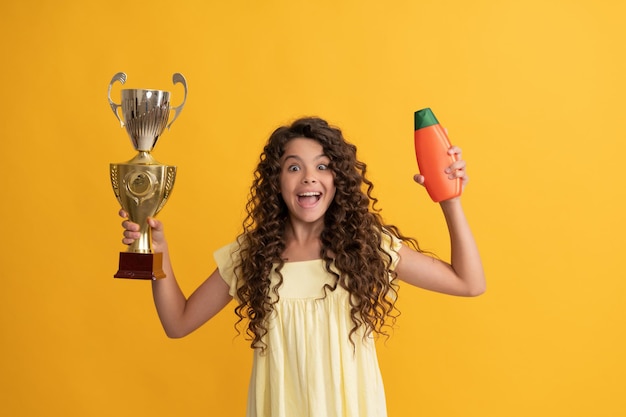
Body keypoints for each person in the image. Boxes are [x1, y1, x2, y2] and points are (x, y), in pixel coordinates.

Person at [119, 117, 485, 417]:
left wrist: (449, 199)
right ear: (276, 182)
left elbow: (468, 282)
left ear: (337, 180)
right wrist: (156, 254)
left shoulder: (366, 247)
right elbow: (178, 322)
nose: (309, 177)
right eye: (294, 167)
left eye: (322, 166)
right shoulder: (252, 255)